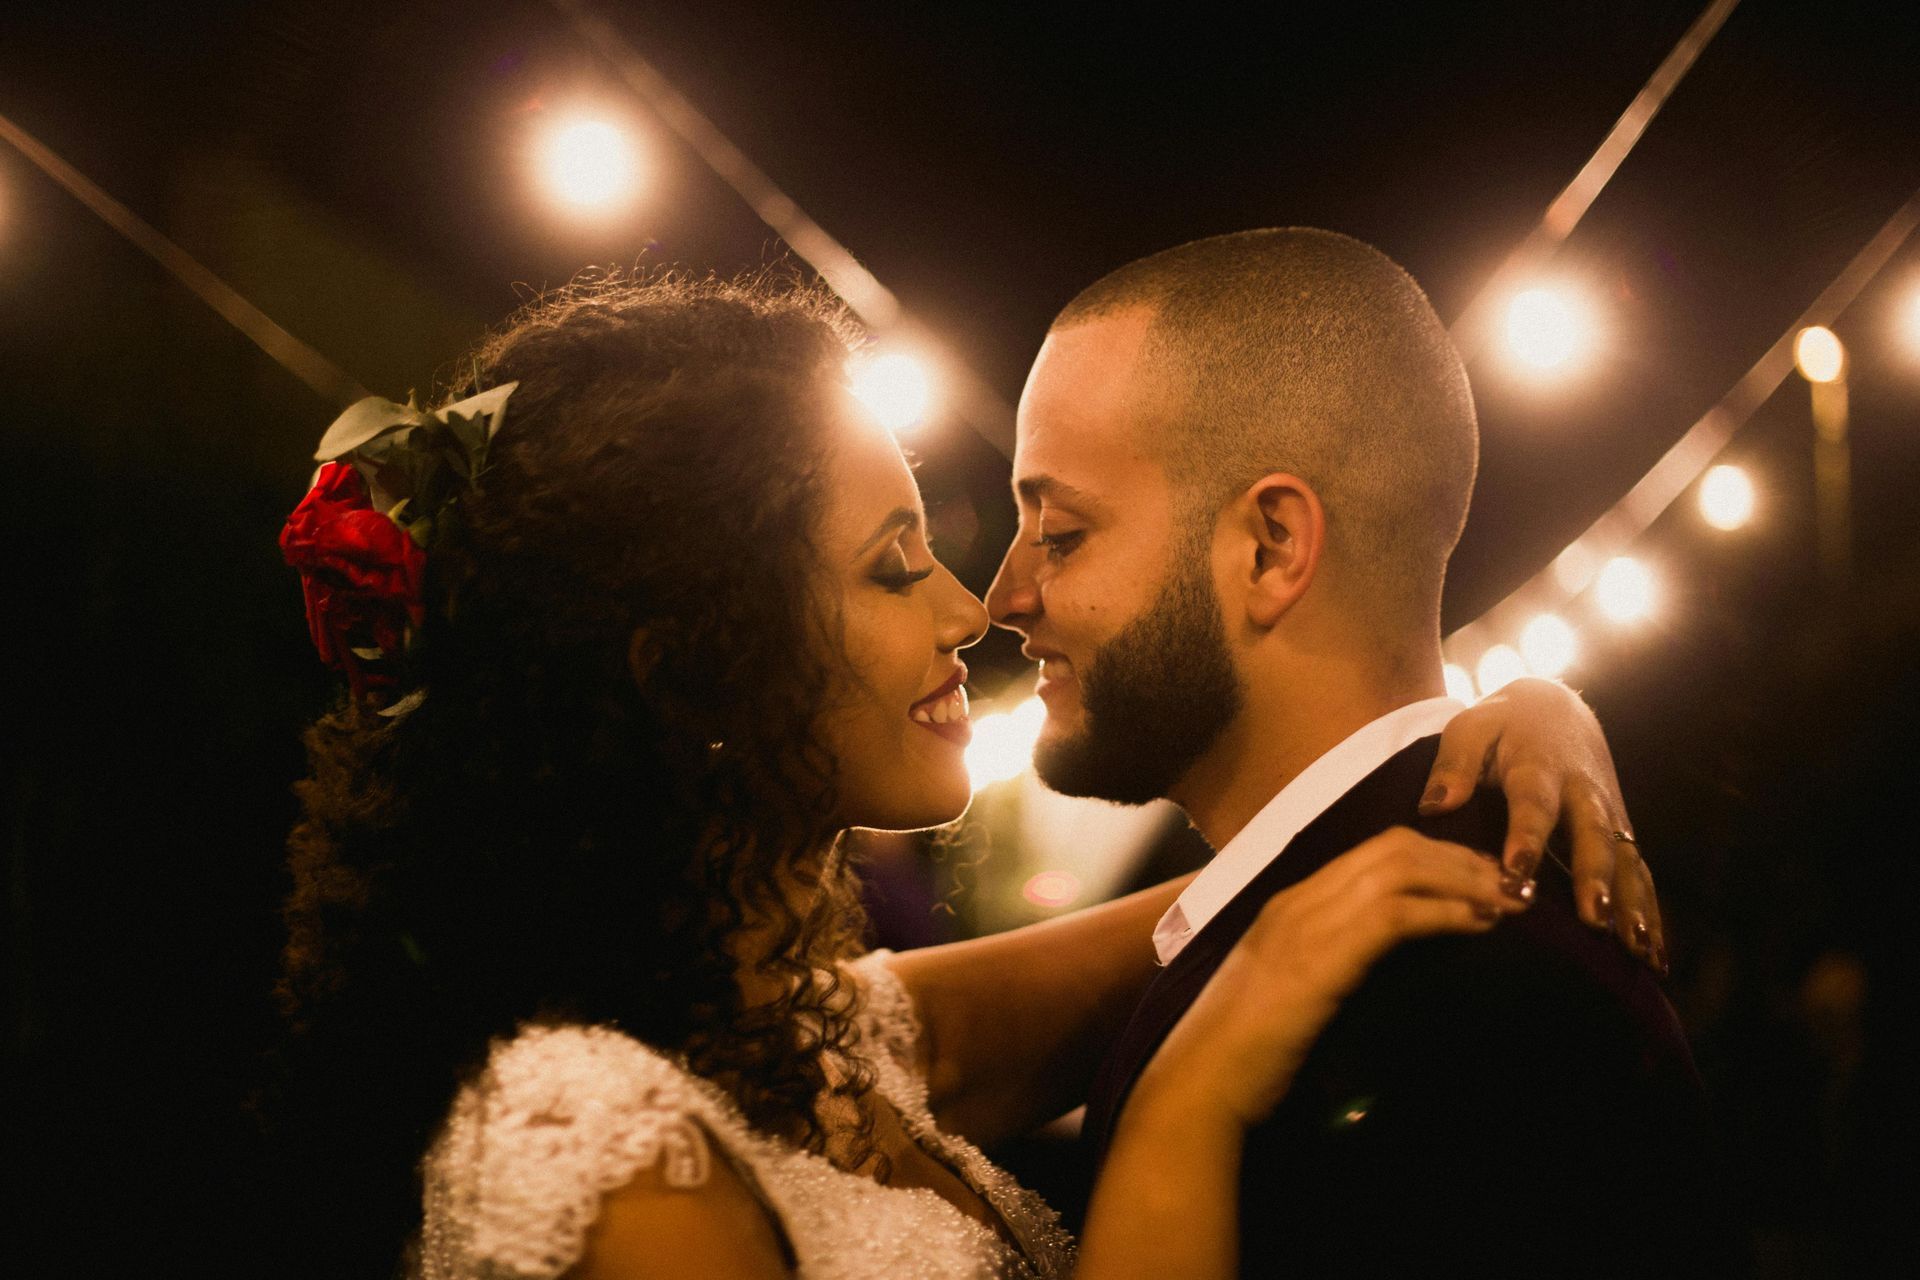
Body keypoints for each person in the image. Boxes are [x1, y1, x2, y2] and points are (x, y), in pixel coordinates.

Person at [270, 271, 1666, 1279]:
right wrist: (1184, 1118)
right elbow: (1254, 952)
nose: (972, 607)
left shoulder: (831, 1045)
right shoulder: (587, 1141)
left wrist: (1515, 720)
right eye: (893, 565)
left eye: (1033, 534)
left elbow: (1256, 907)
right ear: (694, 670)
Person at [985, 229, 1719, 1277]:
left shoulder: (1465, 997)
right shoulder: (1320, 926)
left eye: (1060, 533)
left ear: (1272, 545)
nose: (1003, 596)